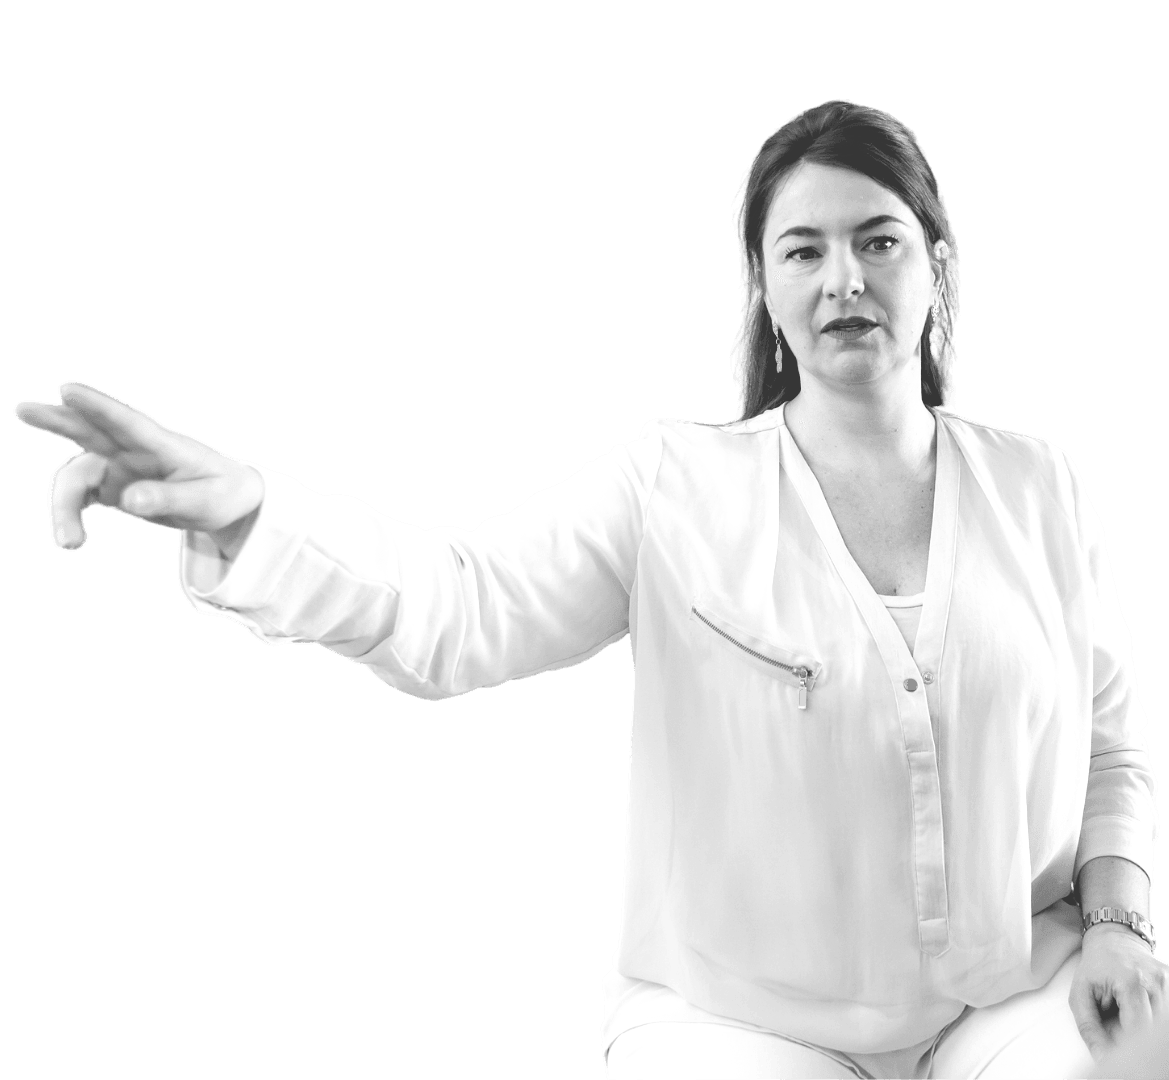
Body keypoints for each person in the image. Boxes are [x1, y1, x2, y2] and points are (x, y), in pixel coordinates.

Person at [14, 99, 1165, 1079]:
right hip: (735, 1021)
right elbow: (453, 607)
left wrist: (1116, 923)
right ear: (761, 288)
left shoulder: (1040, 487)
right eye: (802, 251)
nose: (843, 280)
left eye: (877, 241)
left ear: (938, 265)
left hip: (1005, 994)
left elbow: (1110, 748)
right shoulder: (670, 484)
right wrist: (253, 511)